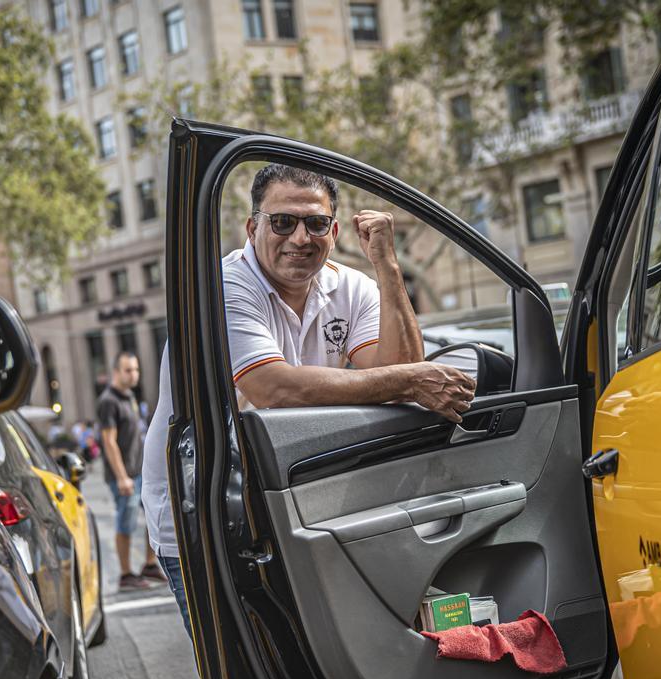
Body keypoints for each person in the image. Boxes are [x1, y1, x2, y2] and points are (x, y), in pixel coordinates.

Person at [142, 164, 476, 638]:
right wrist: (407, 380)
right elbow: (274, 388)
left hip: (295, 501)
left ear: (335, 231)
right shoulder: (224, 286)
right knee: (244, 674)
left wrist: (387, 264)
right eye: (283, 222)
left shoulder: (351, 285)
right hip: (209, 511)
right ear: (252, 228)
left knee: (317, 657)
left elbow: (398, 365)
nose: (300, 237)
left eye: (316, 224)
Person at [97, 351, 165, 591]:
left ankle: (149, 565)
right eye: (128, 370)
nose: (133, 374)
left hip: (139, 471)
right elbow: (109, 441)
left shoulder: (130, 397)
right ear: (116, 372)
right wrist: (122, 476)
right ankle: (125, 575)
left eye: (136, 369)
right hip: (124, 476)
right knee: (125, 523)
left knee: (154, 517)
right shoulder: (108, 401)